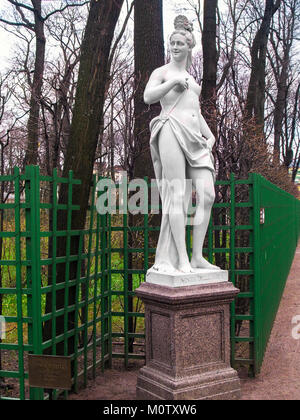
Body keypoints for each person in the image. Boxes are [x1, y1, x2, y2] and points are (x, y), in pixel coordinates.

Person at [144, 15, 220, 274]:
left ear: (189, 48)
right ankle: (181, 258)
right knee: (177, 196)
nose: (175, 47)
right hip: (171, 131)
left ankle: (197, 256)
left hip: (195, 138)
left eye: (180, 43)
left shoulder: (193, 81)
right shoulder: (162, 73)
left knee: (207, 195)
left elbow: (195, 112)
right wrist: (172, 83)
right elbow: (147, 97)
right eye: (172, 43)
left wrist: (209, 135)